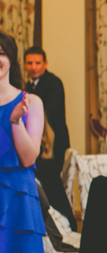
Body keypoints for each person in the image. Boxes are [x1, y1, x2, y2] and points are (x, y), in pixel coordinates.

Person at [0, 31, 46, 253]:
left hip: (15, 195)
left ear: (10, 58)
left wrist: (15, 121)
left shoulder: (31, 101)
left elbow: (30, 158)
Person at [24, 46, 76, 231]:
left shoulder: (54, 83)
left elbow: (48, 114)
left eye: (37, 63)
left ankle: (67, 225)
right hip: (37, 146)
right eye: (30, 63)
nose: (34, 67)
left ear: (45, 64)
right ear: (24, 65)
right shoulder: (26, 86)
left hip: (53, 149)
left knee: (52, 188)